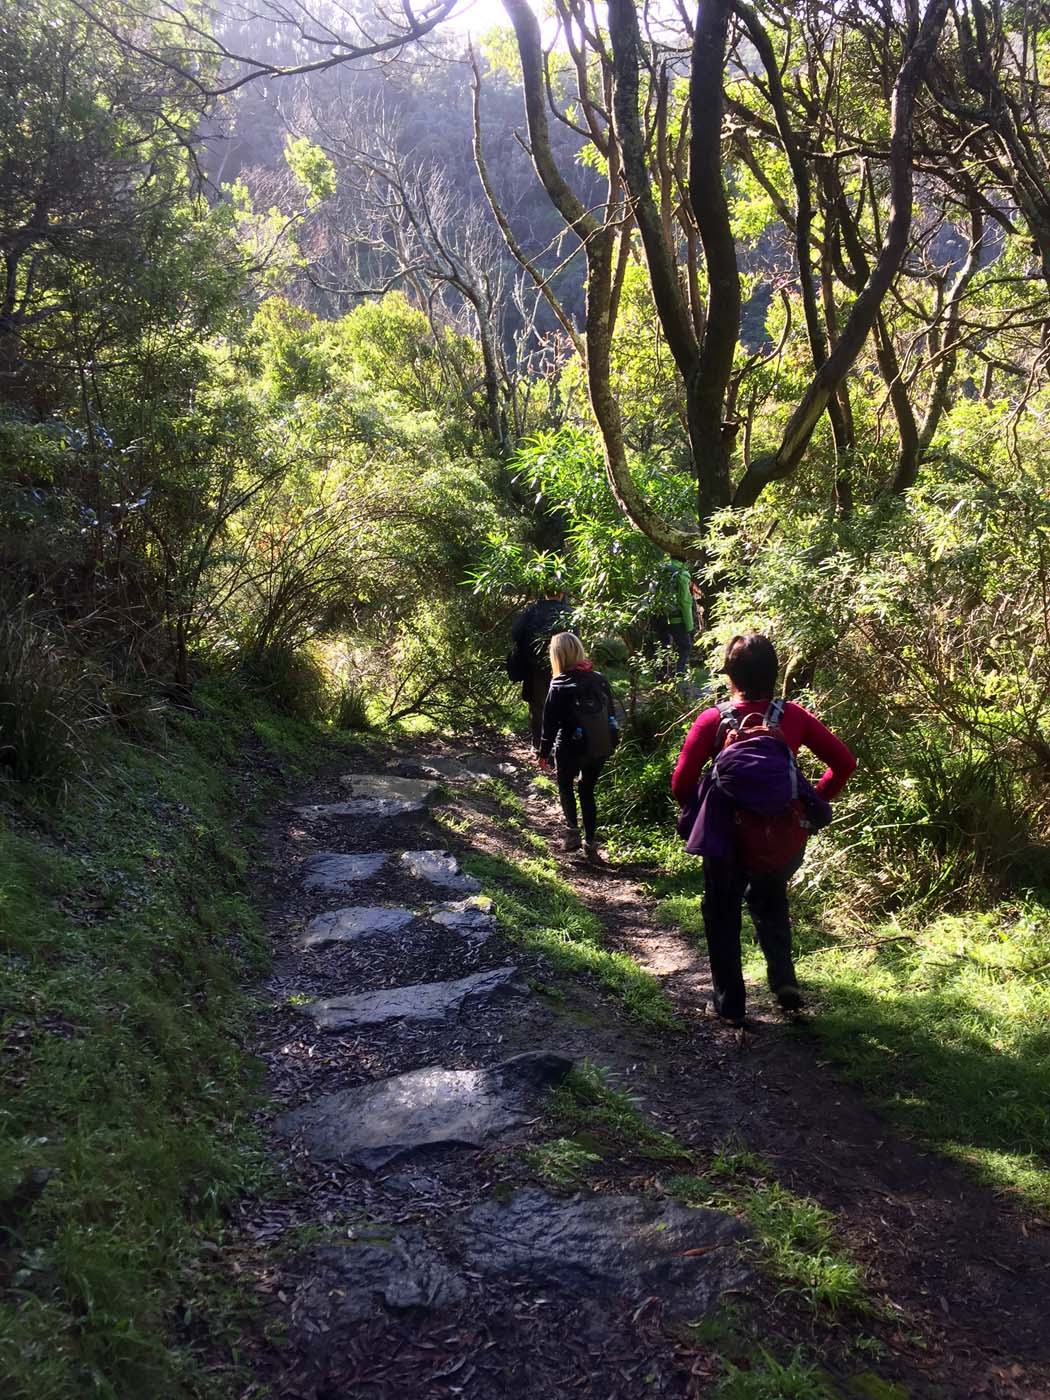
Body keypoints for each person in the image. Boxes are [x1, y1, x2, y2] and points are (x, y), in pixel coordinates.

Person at [671, 633, 856, 1026]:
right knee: (771, 900)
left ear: (730, 676)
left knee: (721, 911)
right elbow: (844, 763)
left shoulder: (712, 719)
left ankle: (731, 1004)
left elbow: (680, 784)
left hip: (726, 837)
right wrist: (808, 804)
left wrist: (700, 807)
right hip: (783, 834)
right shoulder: (794, 716)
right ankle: (784, 981)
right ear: (774, 675)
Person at [538, 632, 617, 859]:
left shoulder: (559, 683)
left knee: (565, 785)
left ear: (558, 655)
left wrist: (544, 752)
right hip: (599, 745)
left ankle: (572, 832)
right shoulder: (600, 678)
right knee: (587, 791)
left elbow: (549, 723)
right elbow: (611, 714)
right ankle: (590, 843)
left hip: (569, 746)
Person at [510, 588, 570, 752]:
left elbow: (515, 633)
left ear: (544, 593)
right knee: (560, 705)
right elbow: (574, 640)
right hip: (561, 666)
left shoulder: (532, 609)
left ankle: (538, 745)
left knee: (537, 706)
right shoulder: (568, 612)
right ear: (561, 594)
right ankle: (557, 746)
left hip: (534, 666)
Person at [649, 559, 695, 676]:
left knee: (663, 648)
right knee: (685, 647)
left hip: (658, 617)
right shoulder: (682, 573)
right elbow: (685, 602)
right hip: (676, 618)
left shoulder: (659, 570)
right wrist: (689, 627)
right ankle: (678, 678)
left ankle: (660, 679)